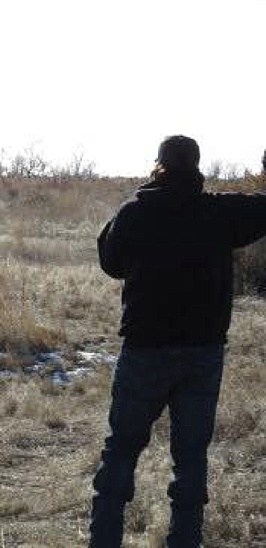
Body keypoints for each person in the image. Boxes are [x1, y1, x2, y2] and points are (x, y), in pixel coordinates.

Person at [90, 135, 266, 547]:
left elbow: (111, 262)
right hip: (202, 354)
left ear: (159, 165)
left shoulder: (135, 212)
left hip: (144, 351)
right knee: (190, 458)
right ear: (197, 166)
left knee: (120, 453)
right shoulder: (220, 212)